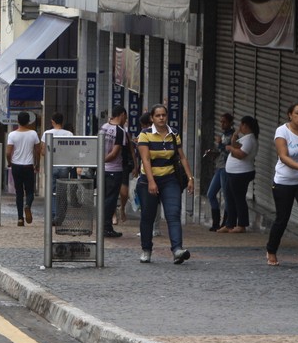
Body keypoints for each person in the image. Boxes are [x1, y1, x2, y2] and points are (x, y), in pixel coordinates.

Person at [136, 104, 194, 264]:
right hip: (148, 180)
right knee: (148, 216)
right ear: (152, 118)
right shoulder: (145, 135)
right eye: (158, 115)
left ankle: (177, 250)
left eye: (164, 115)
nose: (161, 118)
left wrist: (190, 178)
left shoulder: (173, 134)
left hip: (170, 179)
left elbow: (182, 157)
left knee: (173, 213)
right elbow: (145, 159)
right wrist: (151, 182)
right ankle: (146, 249)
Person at [266, 103, 298, 267]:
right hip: (284, 182)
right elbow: (283, 156)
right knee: (282, 219)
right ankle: (271, 250)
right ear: (290, 115)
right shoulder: (282, 131)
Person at [220, 115, 258, 234]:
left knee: (239, 199)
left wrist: (230, 149)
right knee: (230, 198)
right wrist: (235, 136)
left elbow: (241, 154)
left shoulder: (250, 139)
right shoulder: (245, 138)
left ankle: (242, 224)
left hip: (241, 174)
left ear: (245, 125)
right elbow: (236, 146)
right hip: (233, 173)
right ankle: (230, 224)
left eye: (241, 125)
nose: (239, 127)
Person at [7, 112, 41, 226]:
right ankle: (28, 205)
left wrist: (9, 162)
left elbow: (8, 152)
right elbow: (37, 151)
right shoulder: (33, 134)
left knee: (19, 192)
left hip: (16, 165)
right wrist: (37, 164)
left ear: (18, 121)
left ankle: (20, 218)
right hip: (28, 166)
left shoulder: (12, 135)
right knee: (30, 191)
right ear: (28, 121)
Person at [99, 106, 128, 238]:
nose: (125, 120)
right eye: (125, 117)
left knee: (104, 198)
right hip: (114, 170)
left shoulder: (103, 127)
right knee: (110, 200)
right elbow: (115, 153)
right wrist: (104, 160)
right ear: (122, 115)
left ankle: (103, 226)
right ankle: (106, 227)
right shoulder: (120, 131)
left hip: (102, 170)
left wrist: (98, 162)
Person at [42, 112, 75, 226]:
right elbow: (72, 151)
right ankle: (60, 216)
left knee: (52, 192)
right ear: (62, 121)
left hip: (52, 165)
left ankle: (52, 215)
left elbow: (43, 151)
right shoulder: (69, 134)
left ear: (52, 121)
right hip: (64, 166)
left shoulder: (47, 133)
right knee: (62, 192)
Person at [206, 113, 235, 231]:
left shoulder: (233, 136)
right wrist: (212, 153)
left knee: (227, 195)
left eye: (224, 122)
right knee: (211, 194)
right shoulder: (223, 135)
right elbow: (221, 152)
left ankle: (226, 222)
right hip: (219, 167)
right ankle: (216, 222)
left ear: (230, 123)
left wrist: (220, 143)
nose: (222, 124)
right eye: (221, 122)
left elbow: (230, 151)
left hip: (227, 168)